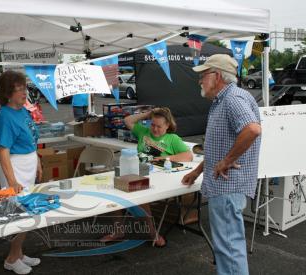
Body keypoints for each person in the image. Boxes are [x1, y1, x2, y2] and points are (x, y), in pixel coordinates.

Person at [182, 54, 261, 275]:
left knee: (229, 248)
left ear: (216, 76)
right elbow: (220, 146)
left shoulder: (232, 99)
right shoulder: (225, 100)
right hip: (225, 187)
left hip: (227, 188)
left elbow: (252, 129)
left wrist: (227, 161)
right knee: (227, 247)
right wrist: (198, 171)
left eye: (203, 76)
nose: (200, 81)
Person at [101, 107, 193, 247]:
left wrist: (165, 157)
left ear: (167, 125)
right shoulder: (143, 132)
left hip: (158, 177)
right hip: (137, 171)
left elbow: (188, 156)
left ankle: (153, 233)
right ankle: (118, 230)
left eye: (159, 126)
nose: (155, 129)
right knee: (115, 188)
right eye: (153, 124)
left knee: (140, 191)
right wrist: (148, 114)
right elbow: (127, 120)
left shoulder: (172, 138)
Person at [0, 70, 42, 274]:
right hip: (15, 167)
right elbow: (3, 151)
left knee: (27, 211)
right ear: (7, 92)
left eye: (25, 88)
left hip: (28, 163)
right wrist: (12, 181)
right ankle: (12, 258)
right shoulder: (4, 116)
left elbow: (31, 138)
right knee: (20, 214)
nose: (25, 92)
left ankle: (19, 253)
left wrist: (37, 160)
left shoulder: (23, 110)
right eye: (19, 89)